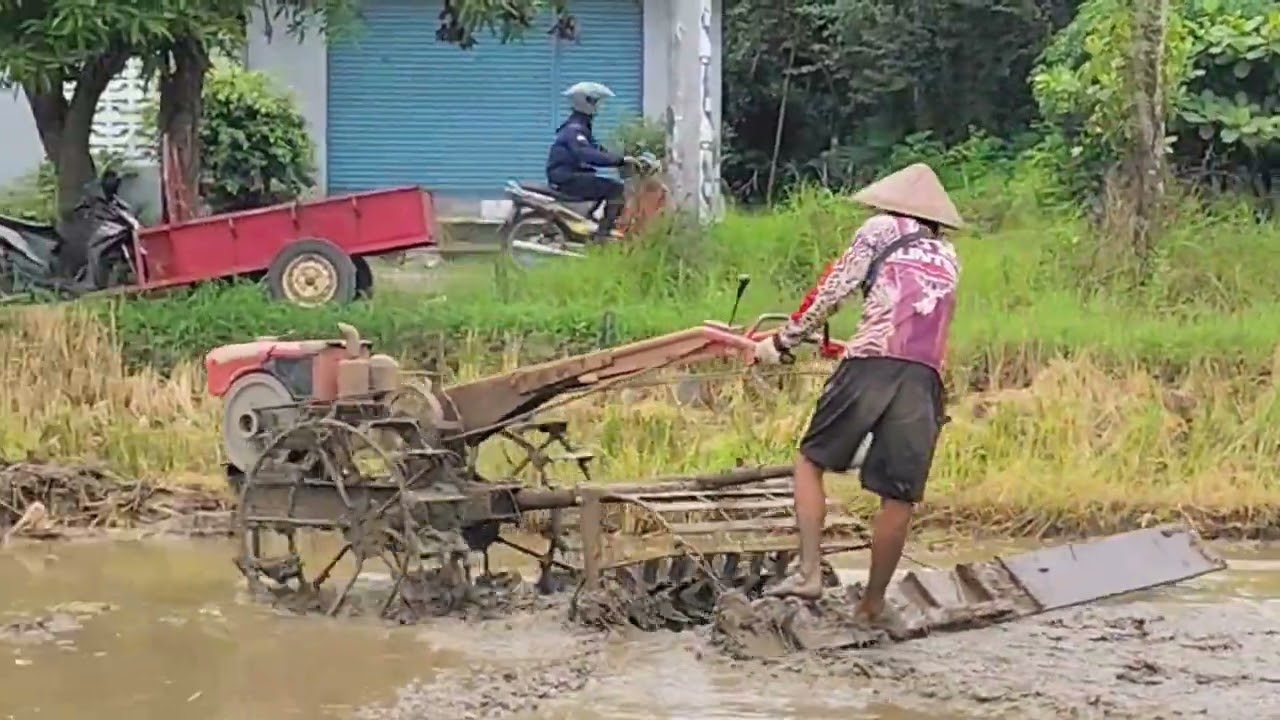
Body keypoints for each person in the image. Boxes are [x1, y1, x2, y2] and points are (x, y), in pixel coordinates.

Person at [752, 163, 964, 624]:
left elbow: (833, 290)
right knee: (898, 496)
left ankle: (809, 573)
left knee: (810, 460)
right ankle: (872, 603)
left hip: (870, 363)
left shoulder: (880, 229)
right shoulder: (949, 256)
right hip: (925, 379)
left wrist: (782, 341)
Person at [545, 81, 633, 241]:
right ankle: (603, 235)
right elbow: (587, 154)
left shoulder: (581, 126)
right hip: (567, 178)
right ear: (586, 102)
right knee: (615, 189)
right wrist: (618, 161)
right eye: (596, 101)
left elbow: (597, 149)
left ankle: (592, 224)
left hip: (569, 175)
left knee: (603, 185)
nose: (599, 106)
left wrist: (621, 158)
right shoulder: (574, 129)